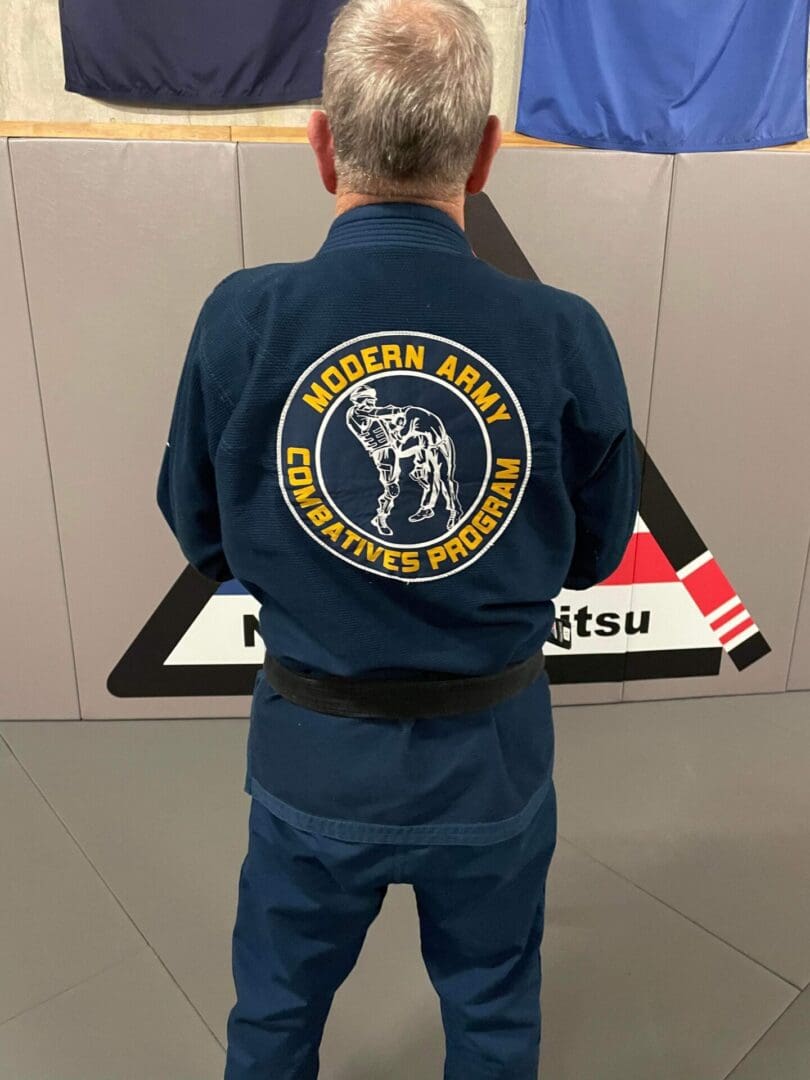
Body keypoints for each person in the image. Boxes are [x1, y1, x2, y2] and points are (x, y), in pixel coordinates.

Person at [156, 0, 641, 1076]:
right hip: (494, 770)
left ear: (323, 146)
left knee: (275, 1017)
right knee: (495, 1015)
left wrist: (320, 581)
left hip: (311, 763)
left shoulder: (245, 320)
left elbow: (202, 532)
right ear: (486, 153)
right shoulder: (565, 334)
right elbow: (597, 553)